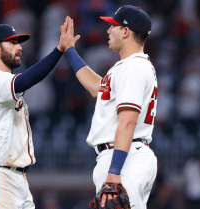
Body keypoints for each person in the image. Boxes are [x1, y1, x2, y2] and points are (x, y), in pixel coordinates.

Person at [0, 19, 78, 209]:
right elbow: (27, 80)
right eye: (13, 42)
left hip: (14, 178)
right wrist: (59, 50)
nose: (19, 48)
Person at [62, 5, 158, 209]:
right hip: (125, 156)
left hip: (123, 159)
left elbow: (128, 121)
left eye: (113, 26)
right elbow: (97, 88)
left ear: (125, 31)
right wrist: (70, 50)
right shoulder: (130, 66)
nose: (108, 31)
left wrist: (114, 173)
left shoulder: (132, 68)